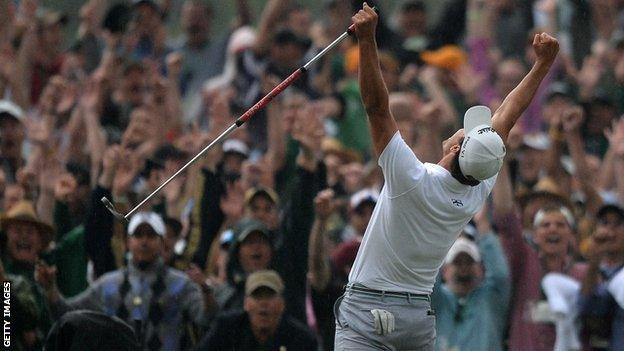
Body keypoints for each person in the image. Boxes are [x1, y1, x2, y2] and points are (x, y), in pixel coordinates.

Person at [334, 3, 559, 350]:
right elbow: (507, 117)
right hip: (418, 320)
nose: (459, 129)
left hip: (368, 311)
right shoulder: (477, 187)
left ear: (455, 149)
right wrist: (542, 66)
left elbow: (376, 107)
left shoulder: (411, 177)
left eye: (462, 133)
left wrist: (367, 41)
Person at [36, 211, 207, 351]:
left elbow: (206, 320)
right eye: (138, 235)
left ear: (162, 242)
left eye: (151, 235)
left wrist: (205, 290)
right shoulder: (109, 284)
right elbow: (67, 315)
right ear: (128, 242)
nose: (144, 241)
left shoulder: (181, 284)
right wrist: (51, 289)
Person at [431, 215, 510, 351]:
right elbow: (428, 275)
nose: (464, 269)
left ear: (480, 268)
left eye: (469, 262)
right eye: (457, 262)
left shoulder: (490, 298)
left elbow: (500, 275)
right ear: (444, 270)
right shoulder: (437, 301)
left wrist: (482, 224)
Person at [195, 269, 317, 351]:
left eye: (269, 296)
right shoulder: (227, 329)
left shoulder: (302, 340)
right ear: (246, 303)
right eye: (257, 296)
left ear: (282, 304)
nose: (263, 302)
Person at [579, 204, 624, 350]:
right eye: (604, 223)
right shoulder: (591, 272)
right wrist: (595, 260)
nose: (610, 231)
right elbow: (586, 308)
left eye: (618, 224)